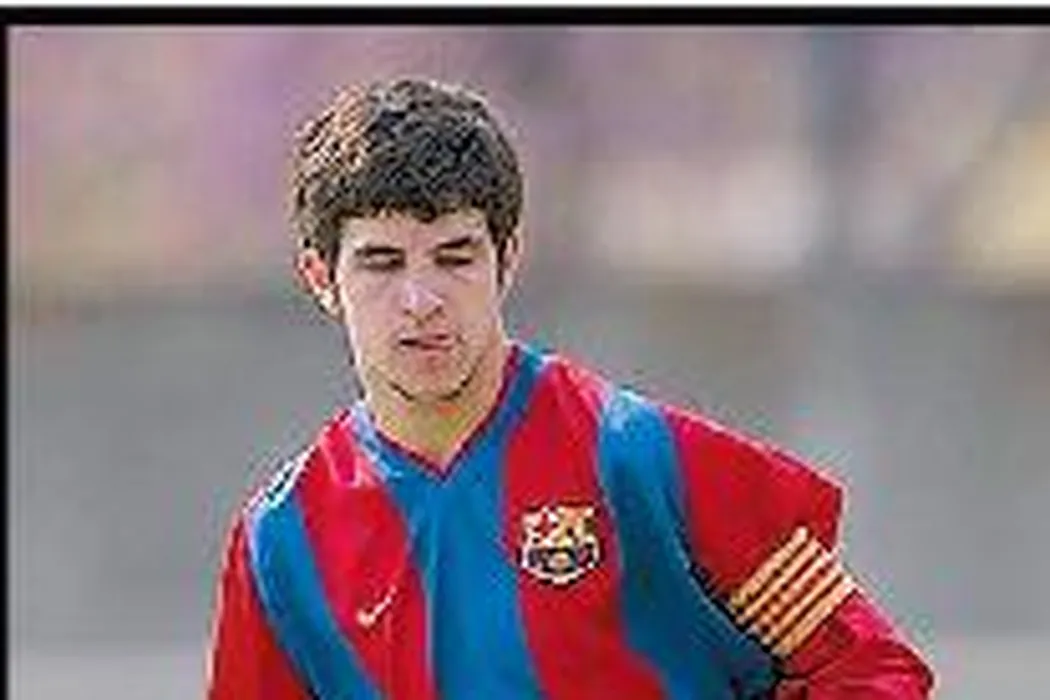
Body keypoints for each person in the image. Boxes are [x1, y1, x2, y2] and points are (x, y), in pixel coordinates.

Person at [206, 76, 934, 699]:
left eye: (455, 257)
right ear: (320, 277)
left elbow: (871, 669)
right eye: (382, 263)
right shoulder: (279, 541)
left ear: (508, 259)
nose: (420, 300)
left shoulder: (643, 456)